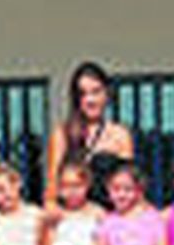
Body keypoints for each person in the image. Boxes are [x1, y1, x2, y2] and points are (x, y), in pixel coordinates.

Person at [45, 61, 134, 210]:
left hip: (109, 220)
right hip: (72, 220)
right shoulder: (62, 134)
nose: (90, 100)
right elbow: (51, 189)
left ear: (107, 94)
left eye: (96, 92)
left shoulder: (120, 135)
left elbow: (130, 185)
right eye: (83, 94)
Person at [44, 161, 104, 245]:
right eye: (65, 186)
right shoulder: (56, 216)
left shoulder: (98, 214)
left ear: (88, 185)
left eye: (77, 185)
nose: (72, 191)